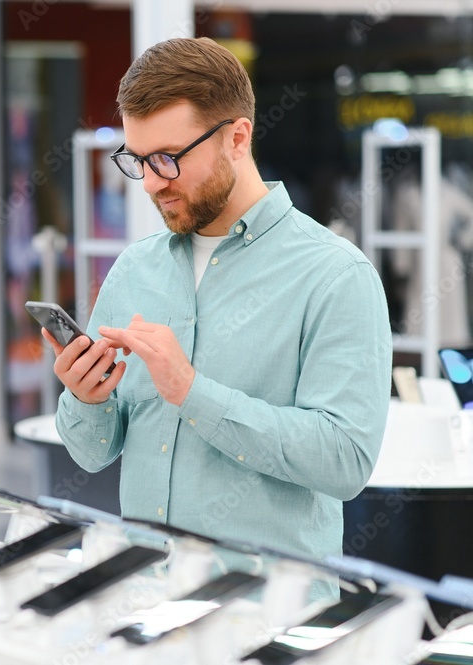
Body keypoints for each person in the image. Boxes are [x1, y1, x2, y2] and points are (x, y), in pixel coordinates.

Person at [43, 37, 391, 589]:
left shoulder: (336, 276)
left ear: (237, 137)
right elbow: (93, 454)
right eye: (138, 161)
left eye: (168, 159)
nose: (153, 183)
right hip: (144, 600)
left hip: (270, 616)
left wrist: (192, 392)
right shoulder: (135, 269)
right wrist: (88, 399)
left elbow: (344, 462)